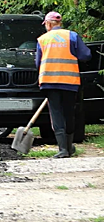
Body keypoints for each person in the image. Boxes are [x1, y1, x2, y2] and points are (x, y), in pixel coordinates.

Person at [35, 11, 91, 158]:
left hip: (49, 82)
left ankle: (63, 149)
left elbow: (37, 63)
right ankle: (69, 146)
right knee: (69, 113)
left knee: (56, 114)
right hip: (69, 81)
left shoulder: (42, 39)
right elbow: (86, 55)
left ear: (48, 24)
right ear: (60, 23)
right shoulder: (71, 36)